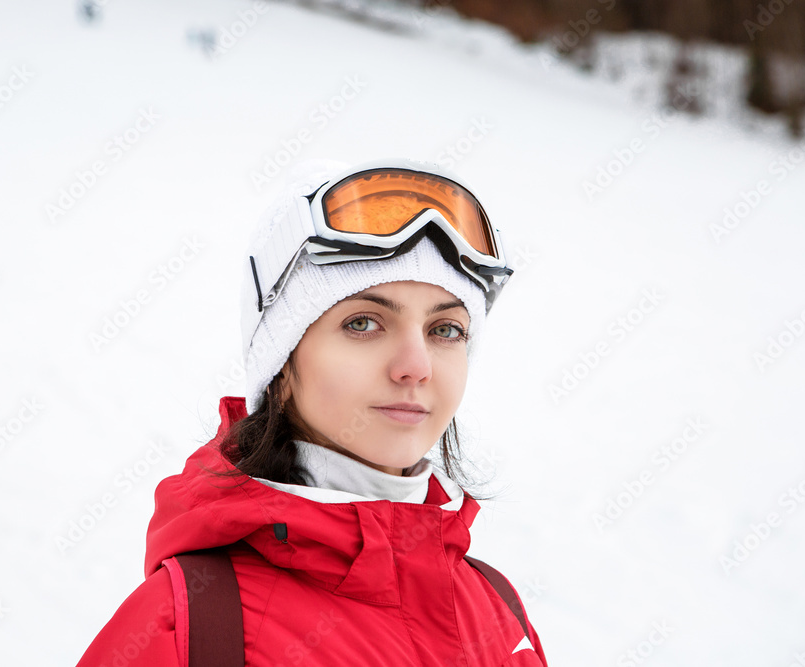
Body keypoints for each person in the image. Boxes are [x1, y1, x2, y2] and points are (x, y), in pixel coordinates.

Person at [75, 157, 548, 666]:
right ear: (280, 366)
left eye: (446, 330)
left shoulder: (498, 613)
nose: (416, 367)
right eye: (364, 323)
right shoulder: (187, 626)